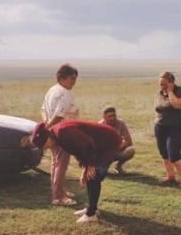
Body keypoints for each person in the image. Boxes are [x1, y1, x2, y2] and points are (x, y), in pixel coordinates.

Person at [31, 120, 121, 223]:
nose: (47, 148)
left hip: (108, 142)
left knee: (93, 176)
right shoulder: (58, 136)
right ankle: (93, 209)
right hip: (98, 144)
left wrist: (91, 164)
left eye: (45, 146)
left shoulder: (62, 133)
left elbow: (88, 143)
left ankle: (91, 214)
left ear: (47, 138)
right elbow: (78, 150)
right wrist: (84, 167)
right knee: (90, 176)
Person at [41, 63, 80, 206]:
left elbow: (43, 109)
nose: (74, 82)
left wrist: (47, 126)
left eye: (75, 79)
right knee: (61, 165)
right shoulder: (64, 93)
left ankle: (59, 190)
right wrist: (49, 126)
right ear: (62, 78)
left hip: (53, 132)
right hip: (62, 132)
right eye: (71, 78)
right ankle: (58, 197)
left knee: (55, 163)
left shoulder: (52, 90)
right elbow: (59, 114)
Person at [154, 71, 181, 188]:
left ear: (171, 83)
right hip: (160, 127)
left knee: (173, 153)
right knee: (164, 153)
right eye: (160, 84)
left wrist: (169, 91)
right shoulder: (160, 93)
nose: (162, 86)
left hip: (176, 128)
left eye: (164, 84)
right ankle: (171, 178)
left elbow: (177, 105)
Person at [98, 106, 136, 174]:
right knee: (101, 173)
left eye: (114, 115)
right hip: (104, 154)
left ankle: (118, 166)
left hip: (117, 151)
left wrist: (116, 149)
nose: (112, 118)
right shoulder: (99, 126)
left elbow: (129, 141)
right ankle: (103, 166)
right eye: (109, 116)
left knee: (131, 150)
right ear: (104, 117)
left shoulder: (121, 123)